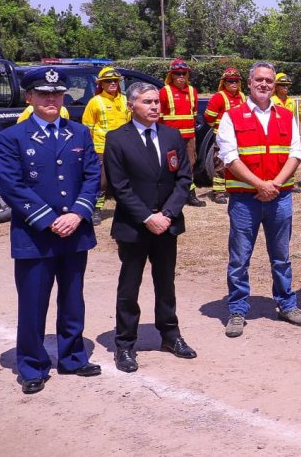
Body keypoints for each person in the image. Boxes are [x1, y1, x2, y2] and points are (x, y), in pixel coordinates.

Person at [0, 68, 101, 394]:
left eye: (57, 94)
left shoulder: (79, 133)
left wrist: (78, 214)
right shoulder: (12, 137)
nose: (51, 99)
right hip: (34, 235)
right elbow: (12, 186)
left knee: (73, 300)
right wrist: (47, 219)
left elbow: (92, 177)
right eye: (43, 94)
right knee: (33, 303)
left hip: (74, 232)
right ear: (29, 97)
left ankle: (72, 357)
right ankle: (32, 365)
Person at [104, 82, 197, 372]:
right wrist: (148, 217)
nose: (155, 106)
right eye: (147, 102)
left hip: (166, 225)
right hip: (134, 226)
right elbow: (119, 187)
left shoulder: (171, 135)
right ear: (131, 105)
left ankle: (170, 335)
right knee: (129, 287)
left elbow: (184, 179)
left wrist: (167, 214)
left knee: (165, 283)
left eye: (156, 101)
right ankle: (125, 345)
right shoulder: (117, 139)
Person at [217, 61, 301, 337]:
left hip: (280, 198)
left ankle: (286, 303)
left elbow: (295, 152)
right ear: (250, 82)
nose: (264, 85)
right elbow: (229, 157)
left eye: (269, 80)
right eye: (259, 80)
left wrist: (275, 184)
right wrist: (260, 185)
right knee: (240, 258)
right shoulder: (232, 116)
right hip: (245, 200)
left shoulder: (285, 114)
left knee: (281, 256)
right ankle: (237, 309)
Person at [81, 66, 131, 215]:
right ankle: (96, 209)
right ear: (101, 84)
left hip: (123, 148)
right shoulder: (95, 102)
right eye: (108, 81)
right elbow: (87, 127)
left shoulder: (125, 99)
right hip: (101, 148)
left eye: (115, 80)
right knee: (101, 182)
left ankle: (128, 208)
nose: (113, 83)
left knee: (125, 179)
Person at [158, 59, 206, 207]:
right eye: (177, 73)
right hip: (170, 137)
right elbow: (159, 117)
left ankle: (190, 195)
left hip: (189, 137)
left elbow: (194, 114)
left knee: (189, 165)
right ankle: (169, 195)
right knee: (169, 165)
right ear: (171, 75)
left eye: (183, 73)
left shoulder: (192, 91)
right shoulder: (164, 92)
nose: (181, 76)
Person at [204, 67, 245, 204]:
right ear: (224, 82)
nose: (233, 83)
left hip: (239, 136)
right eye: (230, 81)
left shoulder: (242, 96)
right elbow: (209, 117)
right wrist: (219, 129)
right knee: (220, 163)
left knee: (238, 162)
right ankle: (219, 192)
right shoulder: (218, 97)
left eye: (236, 81)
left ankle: (235, 187)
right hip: (223, 138)